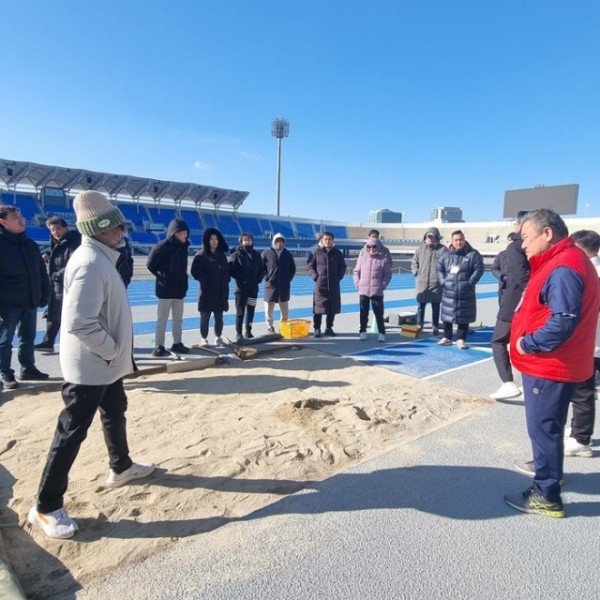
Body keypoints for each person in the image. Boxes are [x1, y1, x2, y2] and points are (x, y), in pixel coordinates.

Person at [28, 191, 155, 539]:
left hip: (104, 364)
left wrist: (114, 355)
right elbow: (79, 322)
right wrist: (114, 349)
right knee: (70, 432)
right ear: (98, 229)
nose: (122, 233)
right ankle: (45, 505)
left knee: (115, 410)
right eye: (115, 227)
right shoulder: (89, 262)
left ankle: (121, 466)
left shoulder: (101, 256)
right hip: (91, 365)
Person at [506, 210, 600, 518]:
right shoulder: (568, 260)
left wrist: (527, 343)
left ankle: (546, 495)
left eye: (526, 238)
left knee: (544, 429)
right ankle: (552, 476)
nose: (523, 245)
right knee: (551, 428)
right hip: (560, 363)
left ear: (547, 233)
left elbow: (564, 320)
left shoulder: (563, 266)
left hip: (550, 365)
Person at [0, 205, 50, 390]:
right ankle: (5, 372)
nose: (21, 220)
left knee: (27, 337)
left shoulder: (30, 245)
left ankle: (28, 368)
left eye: (21, 216)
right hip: (7, 303)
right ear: (2, 221)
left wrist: (45, 293)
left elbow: (41, 273)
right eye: (15, 217)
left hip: (29, 300)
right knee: (4, 340)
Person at [563, 229, 600, 457]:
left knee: (583, 391)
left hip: (591, 341)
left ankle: (581, 439)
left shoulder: (591, 271)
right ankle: (580, 430)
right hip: (593, 340)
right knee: (583, 390)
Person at [490, 215, 530, 400]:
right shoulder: (542, 245)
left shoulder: (515, 247)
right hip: (527, 302)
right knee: (526, 343)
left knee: (499, 341)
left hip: (514, 302)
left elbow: (522, 277)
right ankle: (529, 384)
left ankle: (508, 383)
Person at [34, 217, 81, 351]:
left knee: (71, 317)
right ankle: (48, 343)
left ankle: (77, 346)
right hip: (57, 287)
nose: (55, 232)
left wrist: (55, 275)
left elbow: (73, 265)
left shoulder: (74, 242)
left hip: (68, 286)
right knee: (54, 315)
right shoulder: (58, 242)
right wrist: (49, 254)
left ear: (66, 228)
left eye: (58, 229)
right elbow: (60, 258)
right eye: (52, 230)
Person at [147, 218, 191, 356]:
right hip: (165, 290)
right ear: (175, 233)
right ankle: (159, 346)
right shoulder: (162, 246)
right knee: (162, 320)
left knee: (178, 320)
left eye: (186, 232)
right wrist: (162, 276)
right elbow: (150, 264)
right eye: (183, 232)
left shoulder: (184, 247)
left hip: (179, 290)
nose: (186, 235)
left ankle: (177, 343)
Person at [436, 230, 484, 349]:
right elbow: (439, 269)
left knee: (464, 315)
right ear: (452, 241)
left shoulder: (473, 254)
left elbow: (479, 269)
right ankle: (446, 337)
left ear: (464, 239)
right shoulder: (446, 255)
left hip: (465, 291)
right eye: (456, 240)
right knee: (447, 314)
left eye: (461, 239)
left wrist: (470, 283)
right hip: (449, 291)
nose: (459, 242)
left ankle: (460, 338)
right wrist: (443, 282)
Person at [191, 227, 230, 347]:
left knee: (219, 319)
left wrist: (226, 280)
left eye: (216, 239)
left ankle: (218, 337)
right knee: (205, 318)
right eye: (211, 239)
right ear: (207, 241)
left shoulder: (222, 256)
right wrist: (206, 279)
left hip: (220, 293)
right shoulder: (200, 255)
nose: (214, 241)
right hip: (206, 293)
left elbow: (226, 272)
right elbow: (194, 272)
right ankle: (204, 338)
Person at [307, 231, 347, 337]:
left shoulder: (337, 253)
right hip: (320, 285)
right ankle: (317, 329)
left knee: (331, 308)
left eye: (329, 239)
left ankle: (329, 328)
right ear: (322, 240)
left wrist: (338, 277)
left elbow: (343, 267)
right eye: (326, 239)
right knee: (318, 308)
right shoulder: (316, 252)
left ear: (332, 240)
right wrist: (316, 277)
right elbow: (310, 266)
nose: (327, 241)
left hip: (333, 285)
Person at [353, 238, 392, 341]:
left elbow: (388, 275)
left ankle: (381, 333)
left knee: (379, 314)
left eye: (374, 246)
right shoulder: (362, 258)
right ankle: (362, 331)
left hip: (377, 291)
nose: (371, 249)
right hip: (363, 290)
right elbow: (356, 272)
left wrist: (382, 285)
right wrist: (358, 283)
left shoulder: (383, 259)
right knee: (363, 313)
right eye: (369, 246)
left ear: (378, 247)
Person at [411, 227, 448, 333]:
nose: (430, 238)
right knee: (420, 306)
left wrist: (441, 278)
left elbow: (447, 264)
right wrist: (416, 272)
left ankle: (435, 326)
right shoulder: (420, 249)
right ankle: (419, 325)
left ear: (437, 237)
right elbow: (414, 261)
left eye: (433, 236)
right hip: (422, 283)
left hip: (436, 283)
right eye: (429, 236)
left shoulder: (443, 250)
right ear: (425, 237)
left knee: (435, 306)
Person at [229, 232, 264, 342]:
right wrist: (241, 279)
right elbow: (231, 270)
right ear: (241, 241)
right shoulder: (236, 254)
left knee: (251, 311)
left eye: (249, 240)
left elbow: (263, 269)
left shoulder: (257, 254)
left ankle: (248, 331)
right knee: (240, 312)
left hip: (253, 289)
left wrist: (259, 278)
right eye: (245, 240)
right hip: (241, 289)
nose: (247, 242)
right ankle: (239, 333)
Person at [262, 233, 296, 333]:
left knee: (284, 309)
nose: (279, 244)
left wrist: (287, 279)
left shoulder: (287, 254)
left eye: (281, 242)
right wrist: (267, 277)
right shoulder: (266, 253)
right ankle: (270, 327)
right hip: (271, 285)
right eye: (277, 241)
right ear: (274, 242)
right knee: (268, 309)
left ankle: (283, 327)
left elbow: (292, 269)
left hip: (284, 286)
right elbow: (261, 267)